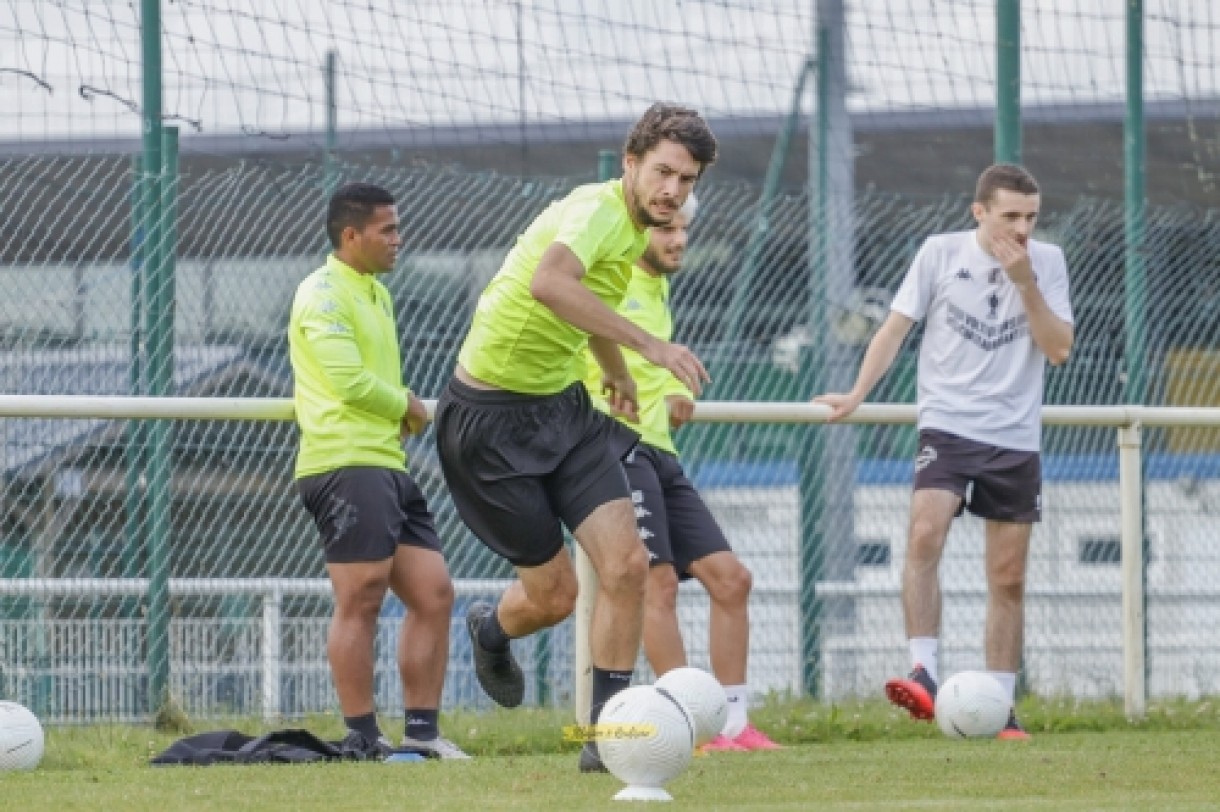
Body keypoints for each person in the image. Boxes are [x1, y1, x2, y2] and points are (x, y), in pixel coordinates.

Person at [433, 103, 718, 772]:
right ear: (631, 163)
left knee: (627, 567)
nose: (673, 191)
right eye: (663, 172)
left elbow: (588, 310)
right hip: (488, 422)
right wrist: (650, 346)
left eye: (688, 179)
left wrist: (616, 373)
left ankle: (605, 741)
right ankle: (490, 628)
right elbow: (550, 282)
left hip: (565, 410)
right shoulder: (595, 211)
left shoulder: (630, 231)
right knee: (555, 598)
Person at [814, 164, 1074, 740]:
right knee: (924, 532)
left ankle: (1002, 708)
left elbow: (1058, 350)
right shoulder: (938, 252)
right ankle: (924, 673)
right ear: (979, 212)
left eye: (1031, 216)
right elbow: (893, 329)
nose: (1023, 227)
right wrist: (858, 392)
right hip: (948, 424)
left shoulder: (1047, 262)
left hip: (1014, 435)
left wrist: (1025, 282)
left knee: (1008, 578)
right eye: (1010, 215)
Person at [580, 193, 779, 752]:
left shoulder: (658, 288)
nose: (679, 240)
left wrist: (670, 387)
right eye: (668, 229)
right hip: (619, 449)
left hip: (662, 453)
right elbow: (589, 346)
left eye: (685, 229)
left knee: (731, 578)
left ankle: (735, 724)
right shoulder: (608, 280)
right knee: (656, 582)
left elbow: (652, 360)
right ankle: (690, 725)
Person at [288, 182, 469, 760]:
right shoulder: (321, 293)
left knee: (435, 593)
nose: (399, 239)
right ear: (350, 235)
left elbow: (374, 387)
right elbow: (346, 382)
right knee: (361, 597)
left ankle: (422, 734)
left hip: (387, 463)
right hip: (343, 463)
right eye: (387, 230)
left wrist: (399, 410)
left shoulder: (376, 293)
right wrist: (406, 404)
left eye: (398, 227)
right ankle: (363, 737)